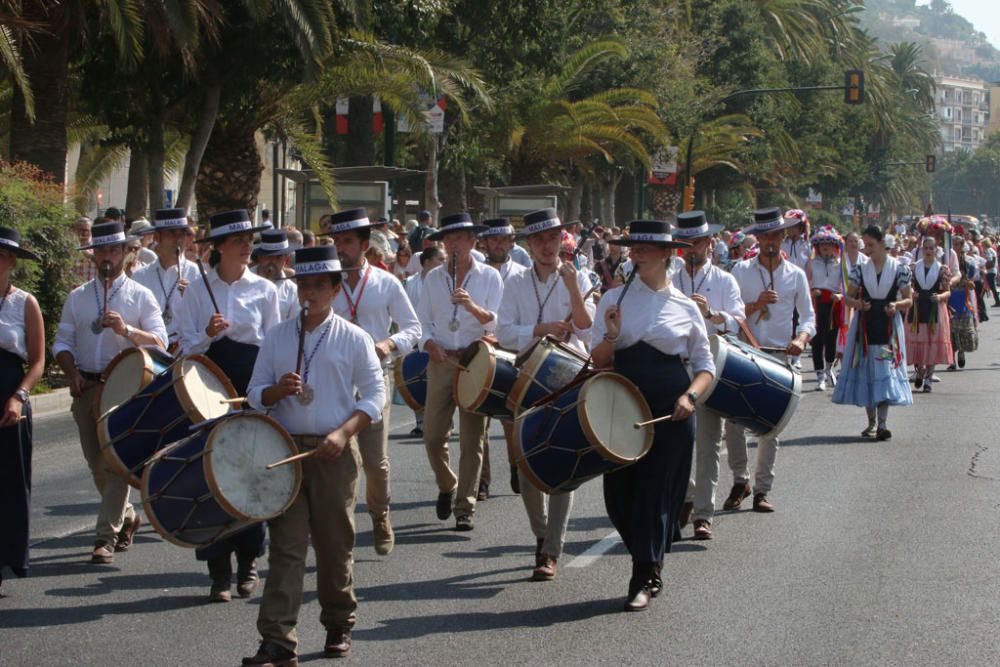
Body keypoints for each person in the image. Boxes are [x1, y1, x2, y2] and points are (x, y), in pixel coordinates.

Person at [242, 244, 384, 665]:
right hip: (287, 450)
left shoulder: (353, 337)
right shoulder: (278, 335)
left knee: (334, 543)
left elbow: (376, 396)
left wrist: (343, 433)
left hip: (334, 452)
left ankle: (339, 621)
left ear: (336, 289)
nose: (310, 292)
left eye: (319, 284)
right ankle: (277, 640)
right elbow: (253, 395)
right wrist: (274, 391)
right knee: (286, 547)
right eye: (304, 284)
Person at [591, 219, 714, 611]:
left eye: (645, 248)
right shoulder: (612, 300)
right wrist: (611, 335)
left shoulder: (685, 307)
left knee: (654, 493)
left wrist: (690, 398)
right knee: (619, 497)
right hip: (622, 405)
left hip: (670, 409)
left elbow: (704, 365)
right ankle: (649, 558)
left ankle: (644, 573)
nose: (637, 254)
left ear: (666, 254)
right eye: (633, 247)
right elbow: (598, 361)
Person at [177, 209, 279, 602]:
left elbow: (272, 344)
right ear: (219, 248)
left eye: (249, 241)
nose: (246, 247)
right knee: (212, 474)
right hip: (209, 385)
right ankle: (217, 570)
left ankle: (249, 560)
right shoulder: (198, 290)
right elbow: (184, 347)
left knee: (250, 472)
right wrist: (207, 333)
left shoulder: (265, 290)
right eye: (238, 241)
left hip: (250, 384)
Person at [53, 221, 166, 565]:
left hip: (125, 388)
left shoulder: (140, 295)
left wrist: (126, 329)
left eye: (113, 250)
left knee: (116, 464)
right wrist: (71, 373)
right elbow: (62, 342)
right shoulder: (78, 297)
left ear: (126, 253)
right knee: (97, 465)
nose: (106, 256)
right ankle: (128, 515)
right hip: (86, 386)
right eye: (100, 250)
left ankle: (105, 537)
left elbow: (161, 343)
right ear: (93, 254)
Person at [497, 210, 594, 579]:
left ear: (562, 241)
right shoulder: (517, 282)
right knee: (526, 466)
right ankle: (540, 535)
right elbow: (504, 333)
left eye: (553, 238)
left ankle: (551, 549)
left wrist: (573, 290)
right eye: (539, 240)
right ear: (529, 245)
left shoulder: (578, 276)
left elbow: (587, 330)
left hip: (569, 376)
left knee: (563, 460)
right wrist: (541, 329)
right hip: (527, 375)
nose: (547, 245)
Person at [324, 208, 421, 556]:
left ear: (365, 245)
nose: (340, 248)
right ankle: (343, 532)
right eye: (336, 241)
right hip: (333, 382)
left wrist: (389, 343)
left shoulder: (386, 282)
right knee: (340, 461)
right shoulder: (325, 283)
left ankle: (381, 516)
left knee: (375, 462)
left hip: (374, 380)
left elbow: (413, 327)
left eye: (347, 241)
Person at [416, 212, 502, 531]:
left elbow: (497, 323)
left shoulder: (489, 277)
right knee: (433, 435)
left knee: (472, 439)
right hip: (441, 360)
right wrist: (428, 343)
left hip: (474, 360)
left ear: (472, 241)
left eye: (459, 238)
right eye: (448, 239)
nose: (453, 244)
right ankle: (447, 483)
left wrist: (471, 307)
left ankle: (465, 507)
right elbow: (422, 321)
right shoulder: (433, 277)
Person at [730, 208, 815, 512]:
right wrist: (756, 305)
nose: (769, 240)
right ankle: (740, 479)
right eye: (764, 235)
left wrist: (799, 340)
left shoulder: (796, 275)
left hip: (780, 357)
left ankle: (762, 490)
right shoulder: (740, 271)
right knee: (734, 425)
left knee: (771, 427)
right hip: (745, 355)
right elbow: (732, 316)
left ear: (782, 237)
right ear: (758, 238)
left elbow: (808, 318)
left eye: (775, 235)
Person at [670, 212, 745, 542]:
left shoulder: (724, 279)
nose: (691, 248)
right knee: (674, 444)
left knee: (708, 445)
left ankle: (703, 514)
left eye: (697, 242)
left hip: (710, 367)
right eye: (685, 243)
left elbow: (738, 319)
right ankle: (687, 496)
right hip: (675, 367)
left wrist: (712, 314)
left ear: (709, 244)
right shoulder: (670, 278)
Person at [833, 225, 913, 439]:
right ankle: (871, 422)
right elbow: (848, 297)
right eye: (864, 245)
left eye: (870, 245)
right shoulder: (860, 270)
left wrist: (896, 305)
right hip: (865, 326)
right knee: (868, 370)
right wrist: (858, 304)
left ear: (881, 243)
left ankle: (883, 424)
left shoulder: (900, 269)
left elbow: (909, 299)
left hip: (888, 327)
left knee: (885, 369)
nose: (867, 250)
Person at [0, 227, 44, 595]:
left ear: (11, 262)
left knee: (10, 481)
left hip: (9, 393)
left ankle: (7, 557)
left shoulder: (24, 302)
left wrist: (19, 396)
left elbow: (38, 361)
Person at [479, 218, 529, 499]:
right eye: (493, 240)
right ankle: (481, 481)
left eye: (504, 239)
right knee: (479, 420)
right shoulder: (475, 274)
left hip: (511, 352)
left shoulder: (524, 274)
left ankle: (515, 466)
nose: (498, 244)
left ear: (512, 242)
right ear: (485, 243)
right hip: (480, 351)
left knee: (511, 419)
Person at [131, 208, 200, 352]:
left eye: (181, 234)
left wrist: (192, 299)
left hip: (185, 354)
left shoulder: (198, 275)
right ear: (157, 237)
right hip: (149, 354)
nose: (177, 240)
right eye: (171, 234)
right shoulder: (140, 276)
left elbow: (205, 323)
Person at [906, 236, 952, 391]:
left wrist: (939, 297)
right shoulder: (914, 267)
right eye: (926, 248)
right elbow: (908, 287)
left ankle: (929, 378)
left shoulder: (942, 269)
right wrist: (912, 293)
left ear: (936, 249)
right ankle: (919, 370)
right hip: (917, 308)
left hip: (934, 308)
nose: (928, 251)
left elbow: (947, 292)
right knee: (916, 339)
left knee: (932, 341)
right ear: (922, 249)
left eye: (931, 248)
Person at [808, 226, 844, 391]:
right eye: (822, 243)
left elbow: (846, 287)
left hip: (833, 305)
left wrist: (840, 295)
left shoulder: (841, 264)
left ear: (834, 246)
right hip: (816, 303)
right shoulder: (810, 263)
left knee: (831, 339)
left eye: (829, 243)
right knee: (817, 340)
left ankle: (829, 369)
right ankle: (820, 375)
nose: (825, 246)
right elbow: (805, 283)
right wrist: (811, 290)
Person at [252, 229, 301, 321]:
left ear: (286, 260)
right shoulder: (243, 281)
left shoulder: (292, 291)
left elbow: (294, 326)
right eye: (268, 256)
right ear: (259, 257)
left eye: (278, 257)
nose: (272, 262)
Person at [948, 252, 978, 371]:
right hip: (950, 307)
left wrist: (969, 283)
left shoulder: (967, 274)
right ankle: (952, 360)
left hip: (963, 307)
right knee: (951, 334)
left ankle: (961, 352)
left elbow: (972, 285)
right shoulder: (949, 277)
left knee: (962, 334)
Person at [70, 216, 97, 288]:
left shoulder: (96, 248)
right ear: (75, 230)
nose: (84, 233)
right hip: (72, 292)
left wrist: (90, 256)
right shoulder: (68, 247)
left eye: (87, 230)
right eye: (81, 230)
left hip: (92, 291)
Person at [982, 237, 999, 306]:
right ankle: (997, 301)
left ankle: (997, 301)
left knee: (992, 287)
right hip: (993, 270)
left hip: (990, 271)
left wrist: (983, 264)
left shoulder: (988, 250)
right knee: (992, 287)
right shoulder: (992, 250)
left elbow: (989, 260)